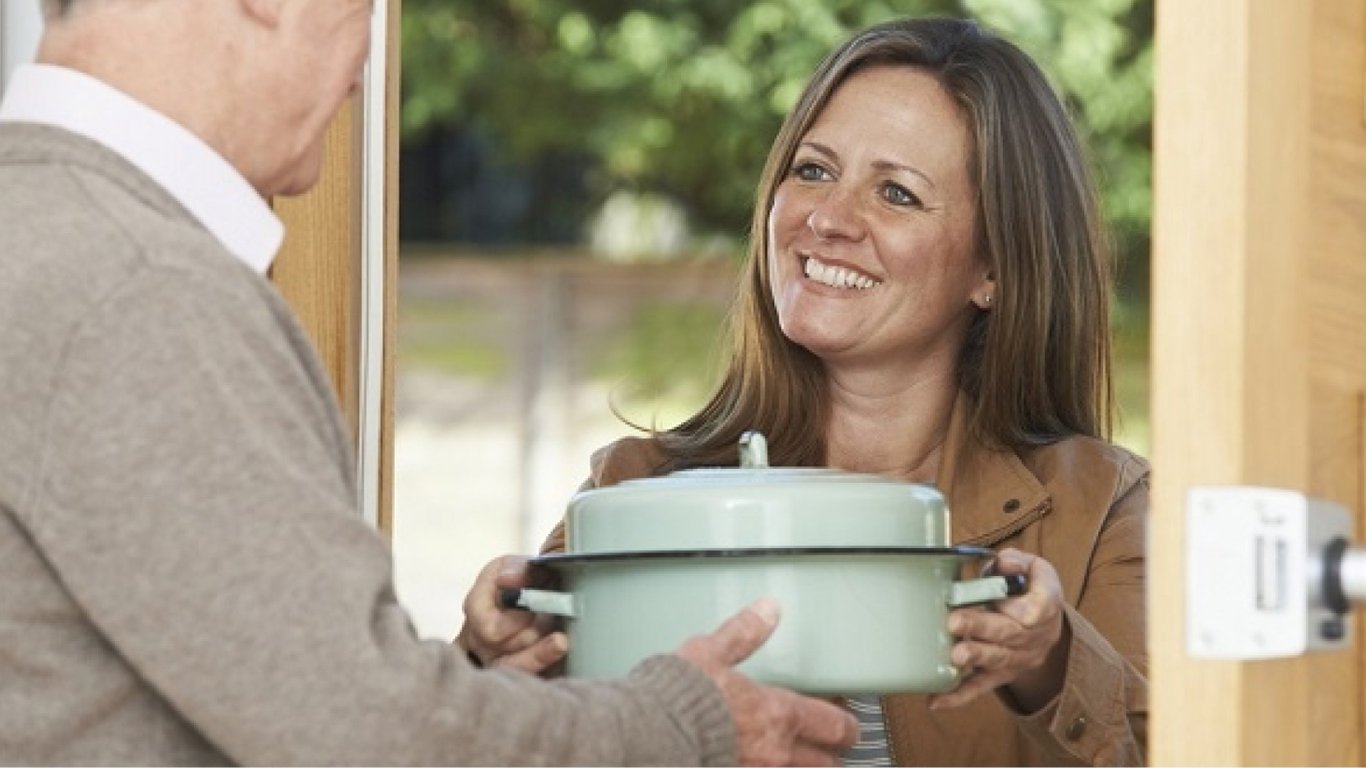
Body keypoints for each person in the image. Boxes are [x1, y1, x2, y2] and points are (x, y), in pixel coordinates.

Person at [0, 0, 860, 764]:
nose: (367, 59)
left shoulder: (46, 233)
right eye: (364, 9)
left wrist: (468, 685)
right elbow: (361, 732)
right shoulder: (142, 287)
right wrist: (684, 725)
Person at [459, 16, 1148, 767]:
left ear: (996, 269)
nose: (826, 220)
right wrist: (482, 668)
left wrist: (1051, 662)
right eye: (814, 170)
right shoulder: (630, 493)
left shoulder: (1101, 510)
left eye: (896, 193)